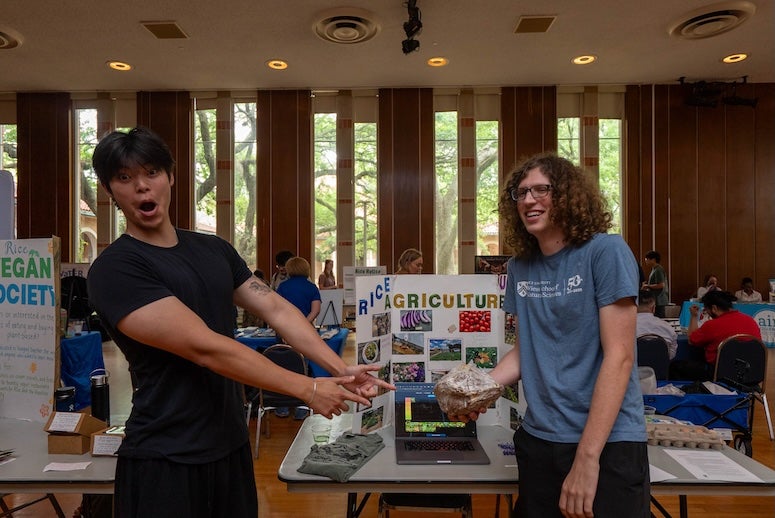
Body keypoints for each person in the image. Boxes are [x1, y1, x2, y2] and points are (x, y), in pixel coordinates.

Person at [86, 127, 392, 518]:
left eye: (151, 173)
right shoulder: (115, 269)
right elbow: (205, 347)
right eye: (125, 179)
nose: (142, 188)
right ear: (111, 191)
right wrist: (308, 388)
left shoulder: (213, 249)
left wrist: (340, 369)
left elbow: (278, 310)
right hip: (165, 453)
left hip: (230, 445)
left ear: (171, 177)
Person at [453, 153, 649, 518]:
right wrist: (477, 389)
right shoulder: (520, 267)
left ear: (568, 196)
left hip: (606, 443)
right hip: (539, 439)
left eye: (541, 189)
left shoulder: (605, 251)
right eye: (521, 192)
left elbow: (620, 357)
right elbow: (527, 351)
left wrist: (588, 458)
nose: (529, 200)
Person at [671, 290, 761, 381]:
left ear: (714, 308)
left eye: (706, 310)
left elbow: (691, 340)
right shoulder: (751, 321)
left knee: (675, 367)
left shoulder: (712, 325)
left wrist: (694, 316)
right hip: (752, 374)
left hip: (720, 374)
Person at [636, 289, 678, 360]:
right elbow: (671, 355)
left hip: (632, 369)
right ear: (653, 308)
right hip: (661, 370)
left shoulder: (624, 328)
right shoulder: (667, 327)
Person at [642, 250, 668, 318]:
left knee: (660, 319)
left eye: (647, 259)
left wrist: (647, 286)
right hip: (656, 299)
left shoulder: (658, 269)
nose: (646, 261)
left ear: (653, 259)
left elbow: (661, 285)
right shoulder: (654, 269)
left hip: (659, 300)